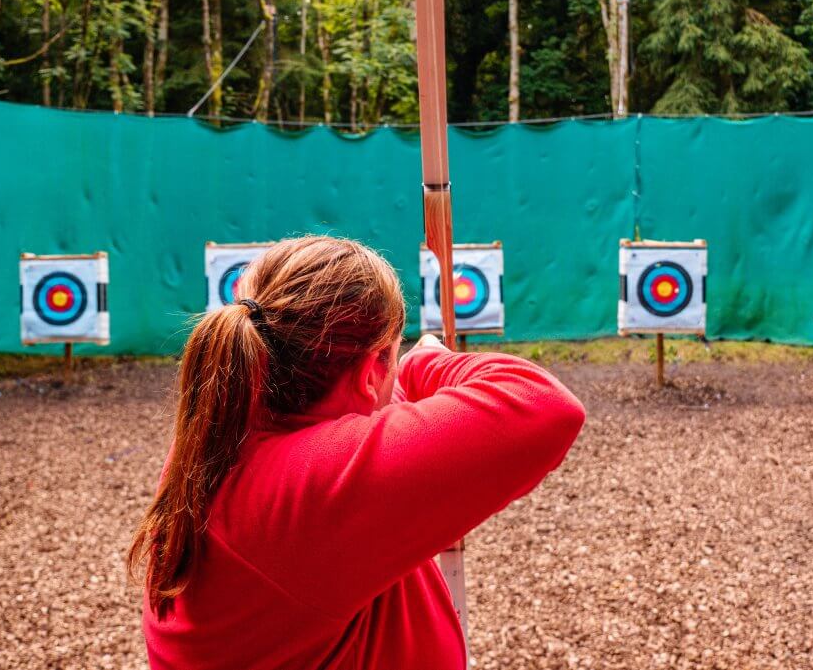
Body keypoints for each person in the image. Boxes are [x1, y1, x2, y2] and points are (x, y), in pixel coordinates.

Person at [128, 235, 585, 669]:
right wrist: (426, 359)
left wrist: (390, 368)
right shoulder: (318, 489)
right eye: (392, 354)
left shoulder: (220, 427)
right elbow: (544, 405)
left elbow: (364, 416)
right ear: (370, 375)